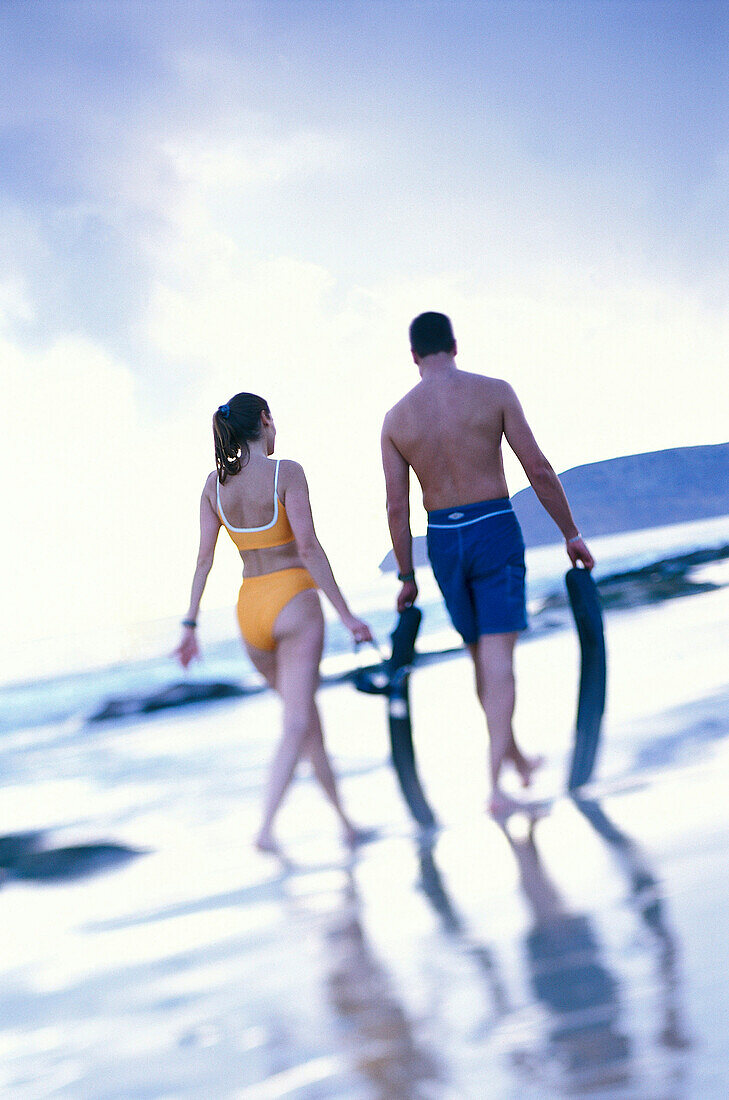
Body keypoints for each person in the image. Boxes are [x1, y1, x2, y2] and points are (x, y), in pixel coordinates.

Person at [380, 312, 595, 817]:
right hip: (494, 526)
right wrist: (571, 533)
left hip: (442, 539)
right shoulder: (494, 392)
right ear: (455, 344)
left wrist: (408, 575)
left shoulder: (396, 419)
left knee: (482, 656)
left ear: (413, 356)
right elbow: (537, 468)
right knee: (499, 659)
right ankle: (496, 786)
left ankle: (516, 760)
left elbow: (396, 507)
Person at [174, 392, 374, 854]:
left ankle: (346, 824)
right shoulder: (287, 472)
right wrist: (347, 615)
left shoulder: (213, 485)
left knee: (307, 724)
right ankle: (265, 829)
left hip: (250, 611)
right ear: (265, 420)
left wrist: (190, 625)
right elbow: (308, 548)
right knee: (297, 723)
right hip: (294, 601)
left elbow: (204, 559)